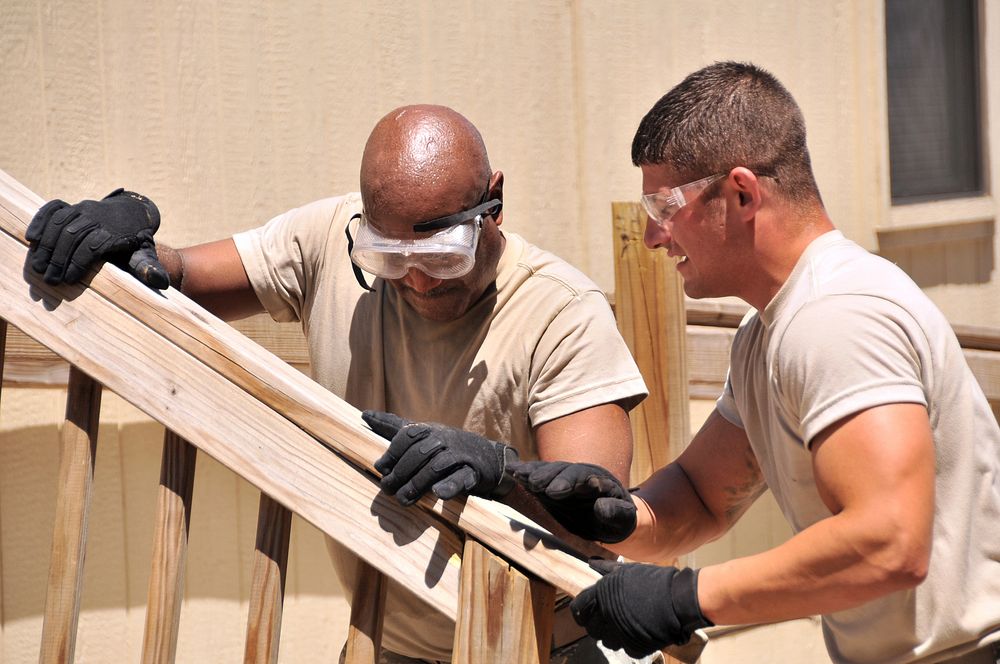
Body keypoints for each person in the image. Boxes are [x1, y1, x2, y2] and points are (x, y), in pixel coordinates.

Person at [368, 63, 1000, 664]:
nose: (651, 237)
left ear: (742, 193)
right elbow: (700, 499)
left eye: (665, 208)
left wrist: (686, 598)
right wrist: (574, 505)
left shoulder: (836, 317)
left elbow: (890, 542)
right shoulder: (768, 335)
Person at [24, 105, 650, 663]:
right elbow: (184, 277)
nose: (420, 283)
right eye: (391, 260)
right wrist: (125, 235)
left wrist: (501, 474)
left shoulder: (562, 313)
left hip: (540, 645)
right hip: (388, 641)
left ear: (495, 202)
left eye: (441, 256)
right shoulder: (330, 240)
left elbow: (596, 518)